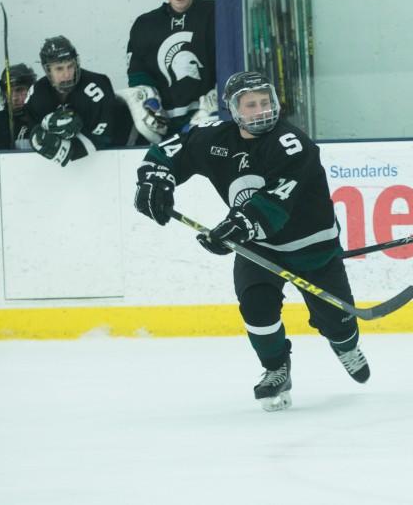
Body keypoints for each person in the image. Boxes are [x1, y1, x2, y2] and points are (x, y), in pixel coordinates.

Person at [133, 71, 370, 411]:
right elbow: (169, 151)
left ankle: (345, 345)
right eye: (251, 105)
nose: (261, 110)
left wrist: (236, 227)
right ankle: (276, 369)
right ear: (234, 109)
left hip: (312, 248)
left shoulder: (292, 142)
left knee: (338, 321)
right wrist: (154, 178)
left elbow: (276, 202)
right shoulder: (214, 138)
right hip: (257, 249)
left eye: (265, 102)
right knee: (257, 310)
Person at [123, 0, 217, 143]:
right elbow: (137, 72)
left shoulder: (214, 12)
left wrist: (219, 92)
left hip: (210, 114)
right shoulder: (145, 25)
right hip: (165, 121)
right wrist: (148, 101)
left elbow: (232, 57)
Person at [27, 36, 115, 166]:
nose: (67, 74)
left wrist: (73, 151)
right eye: (59, 69)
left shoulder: (98, 86)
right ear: (47, 70)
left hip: (107, 162)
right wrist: (39, 137)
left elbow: (106, 135)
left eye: (70, 66)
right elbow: (34, 132)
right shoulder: (37, 93)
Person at [0, 63, 38, 150]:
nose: (14, 98)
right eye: (8, 92)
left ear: (31, 88)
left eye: (19, 90)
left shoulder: (42, 113)